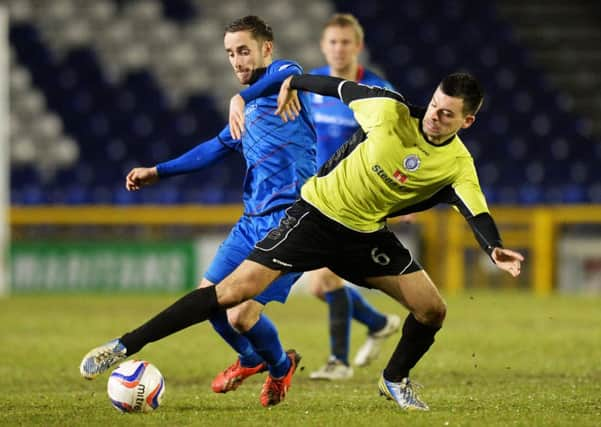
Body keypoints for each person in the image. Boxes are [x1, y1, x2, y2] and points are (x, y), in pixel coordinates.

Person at [80, 71, 524, 411]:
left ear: (467, 120)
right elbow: (335, 86)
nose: (433, 115)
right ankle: (122, 346)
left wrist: (493, 247)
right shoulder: (386, 110)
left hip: (365, 235)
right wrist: (292, 82)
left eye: (447, 114)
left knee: (432, 310)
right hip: (314, 217)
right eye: (433, 105)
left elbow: (475, 209)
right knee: (231, 294)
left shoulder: (457, 165)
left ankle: (394, 378)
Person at [84, 16, 317, 407]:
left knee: (241, 316)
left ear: (266, 48)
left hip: (293, 223)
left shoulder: (285, 82)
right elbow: (213, 148)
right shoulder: (246, 114)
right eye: (230, 53)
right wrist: (158, 171)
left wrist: (238, 97)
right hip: (251, 222)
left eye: (244, 50)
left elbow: (291, 71)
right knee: (206, 300)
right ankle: (248, 359)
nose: (237, 61)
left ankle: (280, 366)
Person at [306, 13, 403, 380]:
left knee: (327, 280)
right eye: (332, 41)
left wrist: (398, 196)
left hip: (357, 197)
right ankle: (377, 323)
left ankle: (339, 363)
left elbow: (394, 146)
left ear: (358, 46)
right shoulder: (314, 86)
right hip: (321, 194)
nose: (338, 48)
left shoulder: (377, 90)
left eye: (345, 42)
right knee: (321, 284)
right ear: (323, 45)